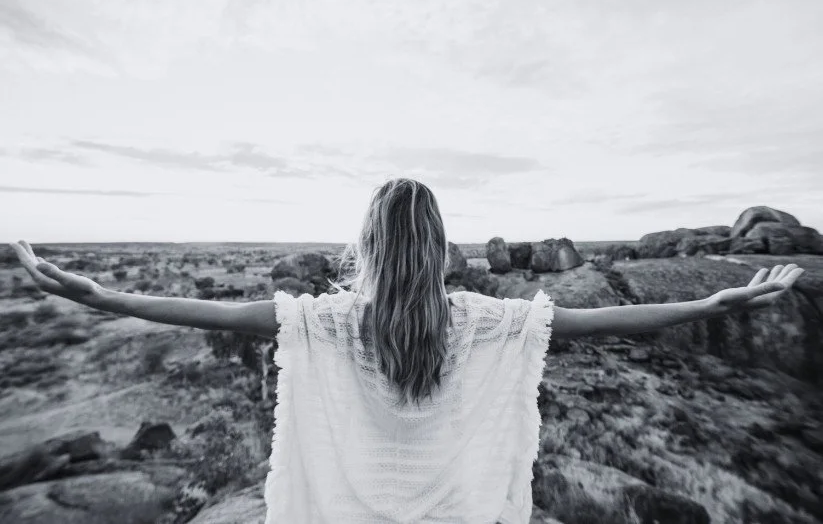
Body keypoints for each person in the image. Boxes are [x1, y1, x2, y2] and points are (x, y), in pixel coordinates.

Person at [9, 177, 804, 524]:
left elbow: (206, 311)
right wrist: (709, 299)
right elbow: (600, 325)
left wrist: (101, 296)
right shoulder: (477, 318)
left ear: (368, 245)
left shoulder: (323, 321)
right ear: (437, 247)